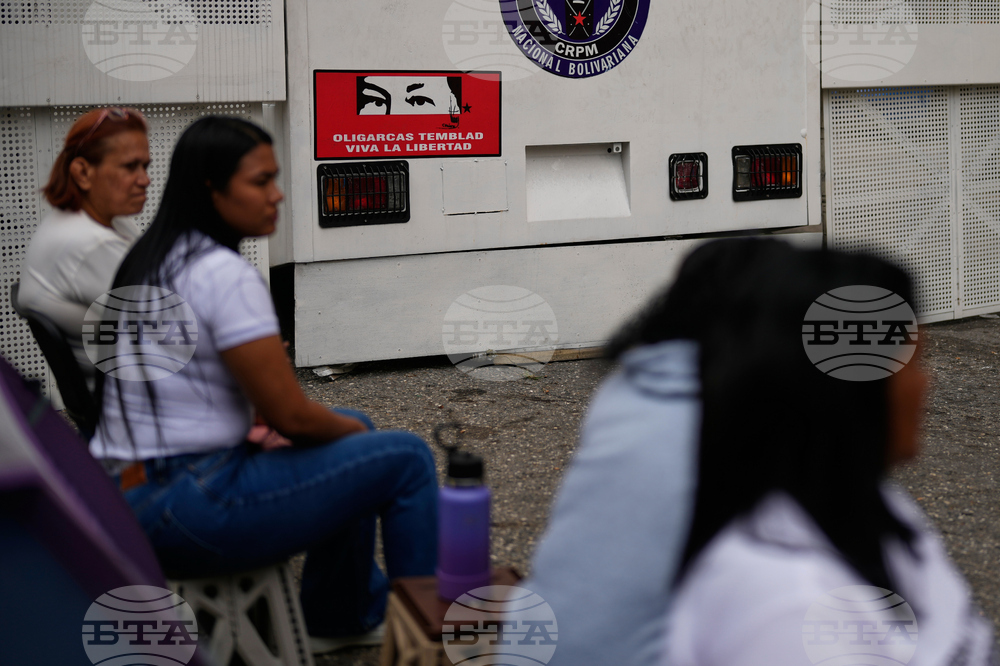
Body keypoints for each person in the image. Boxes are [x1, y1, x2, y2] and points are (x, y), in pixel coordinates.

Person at [89, 116, 437, 651]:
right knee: (405, 458)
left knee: (357, 429)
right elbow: (289, 415)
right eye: (260, 181)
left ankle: (341, 618)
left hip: (128, 494)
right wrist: (348, 435)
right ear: (212, 188)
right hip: (189, 503)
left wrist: (346, 432)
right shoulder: (221, 273)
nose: (277, 195)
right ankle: (425, 642)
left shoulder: (155, 256)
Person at [645, 239, 994, 665]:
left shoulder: (871, 504)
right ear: (846, 393)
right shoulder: (787, 605)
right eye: (912, 362)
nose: (926, 382)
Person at [18, 107, 150, 381]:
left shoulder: (98, 221)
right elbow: (175, 331)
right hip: (133, 396)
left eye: (145, 166)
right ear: (82, 173)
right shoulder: (91, 243)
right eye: (130, 167)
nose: (145, 180)